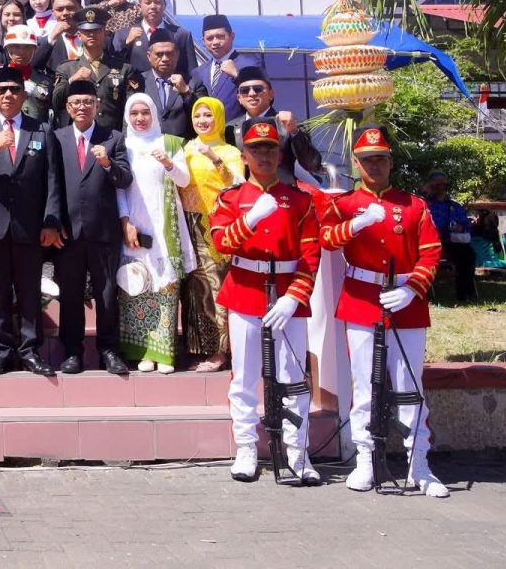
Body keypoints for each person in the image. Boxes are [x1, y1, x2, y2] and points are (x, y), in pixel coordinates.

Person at [322, 125, 448, 497]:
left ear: (390, 162)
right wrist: (356, 224)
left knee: (410, 385)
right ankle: (365, 459)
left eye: (380, 159)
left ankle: (418, 462)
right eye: (367, 160)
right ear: (356, 164)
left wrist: (412, 289)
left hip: (406, 302)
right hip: (362, 298)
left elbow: (431, 252)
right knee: (364, 385)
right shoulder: (345, 204)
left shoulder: (414, 205)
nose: (374, 166)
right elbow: (326, 238)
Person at [209, 117, 322, 484]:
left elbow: (311, 254)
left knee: (294, 377)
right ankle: (246, 447)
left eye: (270, 149)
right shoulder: (231, 198)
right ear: (244, 156)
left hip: (288, 293)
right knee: (244, 377)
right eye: (256, 150)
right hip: (245, 291)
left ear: (279, 154)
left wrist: (294, 297)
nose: (264, 156)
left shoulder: (299, 200)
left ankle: (298, 451)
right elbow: (221, 244)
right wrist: (251, 219)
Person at [0, 67, 62, 377]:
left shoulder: (41, 129)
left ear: (24, 94)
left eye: (14, 90)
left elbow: (52, 179)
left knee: (30, 291)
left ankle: (30, 352)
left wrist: (50, 221)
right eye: (2, 90)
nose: (8, 95)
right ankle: (1, 353)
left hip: (30, 224)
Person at [46, 80, 135, 374]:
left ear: (97, 105)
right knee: (70, 294)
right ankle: (73, 352)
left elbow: (125, 179)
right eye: (76, 102)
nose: (82, 107)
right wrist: (54, 221)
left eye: (88, 101)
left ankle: (108, 351)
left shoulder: (113, 137)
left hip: (104, 231)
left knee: (107, 294)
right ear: (68, 107)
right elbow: (52, 183)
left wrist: (108, 163)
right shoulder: (57, 138)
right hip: (68, 232)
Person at [116, 94, 194, 374]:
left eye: (145, 112)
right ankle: (143, 353)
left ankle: (164, 354)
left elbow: (184, 180)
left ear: (153, 114)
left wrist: (169, 164)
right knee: (137, 286)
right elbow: (119, 189)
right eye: (134, 113)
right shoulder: (123, 146)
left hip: (163, 227)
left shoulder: (169, 143)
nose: (140, 118)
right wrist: (125, 222)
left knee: (164, 287)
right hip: (135, 226)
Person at [179, 97, 243, 372]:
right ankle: (198, 348)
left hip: (215, 223)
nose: (202, 120)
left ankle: (220, 351)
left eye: (208, 115)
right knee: (194, 289)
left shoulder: (229, 151)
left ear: (219, 117)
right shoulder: (186, 148)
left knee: (215, 286)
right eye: (198, 116)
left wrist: (215, 159)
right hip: (188, 223)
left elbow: (239, 184)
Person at [227, 67, 322, 186]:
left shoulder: (288, 123)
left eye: (258, 89)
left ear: (271, 94)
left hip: (282, 193)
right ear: (239, 98)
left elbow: (312, 164)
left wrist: (294, 132)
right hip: (244, 194)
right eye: (245, 90)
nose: (251, 94)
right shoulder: (230, 129)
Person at [191, 15, 258, 121]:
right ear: (203, 41)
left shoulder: (249, 64)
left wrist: (237, 75)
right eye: (209, 38)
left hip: (238, 129)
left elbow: (260, 97)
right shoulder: (198, 72)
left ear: (232, 36)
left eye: (220, 36)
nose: (215, 42)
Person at [424, 170, 476, 303]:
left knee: (467, 254)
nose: (441, 188)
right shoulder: (424, 205)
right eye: (437, 185)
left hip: (451, 243)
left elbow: (467, 226)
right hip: (429, 243)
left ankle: (465, 293)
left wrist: (461, 228)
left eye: (444, 185)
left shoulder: (455, 206)